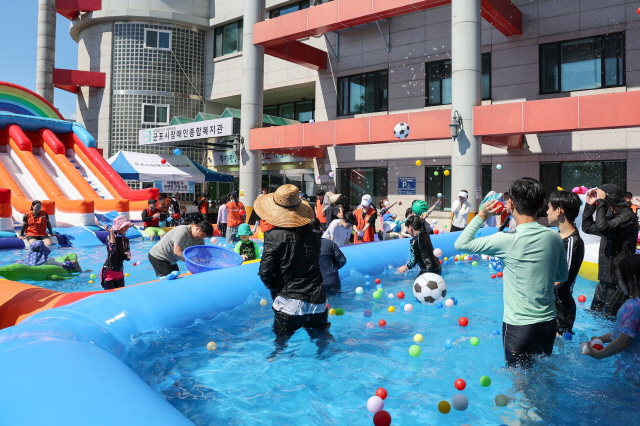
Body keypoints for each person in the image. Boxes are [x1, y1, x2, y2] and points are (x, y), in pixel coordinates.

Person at [454, 177, 568, 368]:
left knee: (519, 382)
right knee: (544, 375)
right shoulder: (554, 236)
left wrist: (482, 215)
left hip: (519, 327)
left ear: (511, 204)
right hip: (549, 324)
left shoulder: (505, 240)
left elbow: (461, 244)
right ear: (541, 206)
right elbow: (561, 277)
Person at [256, 184, 333, 357]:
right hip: (317, 302)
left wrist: (274, 287)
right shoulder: (314, 234)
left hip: (288, 304)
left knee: (280, 346)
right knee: (323, 342)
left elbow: (265, 272)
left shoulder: (274, 236)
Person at [582, 184, 639, 318]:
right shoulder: (611, 218)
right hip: (605, 278)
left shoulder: (628, 217)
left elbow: (602, 228)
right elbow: (587, 227)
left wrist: (601, 203)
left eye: (602, 201)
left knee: (610, 318)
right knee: (595, 315)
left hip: (619, 281)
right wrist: (590, 206)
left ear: (609, 201)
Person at [582, 254, 640, 378]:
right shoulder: (635, 304)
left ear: (633, 279)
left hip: (632, 371)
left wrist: (598, 355)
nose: (619, 282)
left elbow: (622, 342)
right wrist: (601, 339)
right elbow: (623, 332)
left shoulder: (632, 307)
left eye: (619, 277)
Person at [547, 190, 585, 336]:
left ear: (559, 211)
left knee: (558, 347)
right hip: (549, 304)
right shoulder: (556, 236)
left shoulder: (573, 243)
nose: (547, 211)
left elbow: (560, 280)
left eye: (549, 207)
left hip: (560, 309)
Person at [148, 221, 213, 277]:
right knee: (170, 282)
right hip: (159, 256)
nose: (201, 238)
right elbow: (177, 252)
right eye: (202, 236)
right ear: (198, 229)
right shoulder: (182, 231)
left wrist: (207, 261)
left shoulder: (199, 238)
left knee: (177, 278)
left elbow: (204, 253)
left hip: (172, 259)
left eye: (204, 237)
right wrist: (193, 263)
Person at [312, 219, 347, 295]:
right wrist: (332, 268)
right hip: (333, 281)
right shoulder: (329, 243)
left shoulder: (303, 247)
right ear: (320, 229)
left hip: (316, 285)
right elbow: (342, 260)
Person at [100, 215, 133, 290]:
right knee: (110, 294)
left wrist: (127, 255)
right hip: (109, 272)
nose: (126, 229)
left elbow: (126, 257)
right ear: (119, 227)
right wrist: (111, 233)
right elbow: (112, 249)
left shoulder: (125, 239)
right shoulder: (110, 237)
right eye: (125, 227)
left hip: (120, 272)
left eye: (127, 227)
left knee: (121, 293)